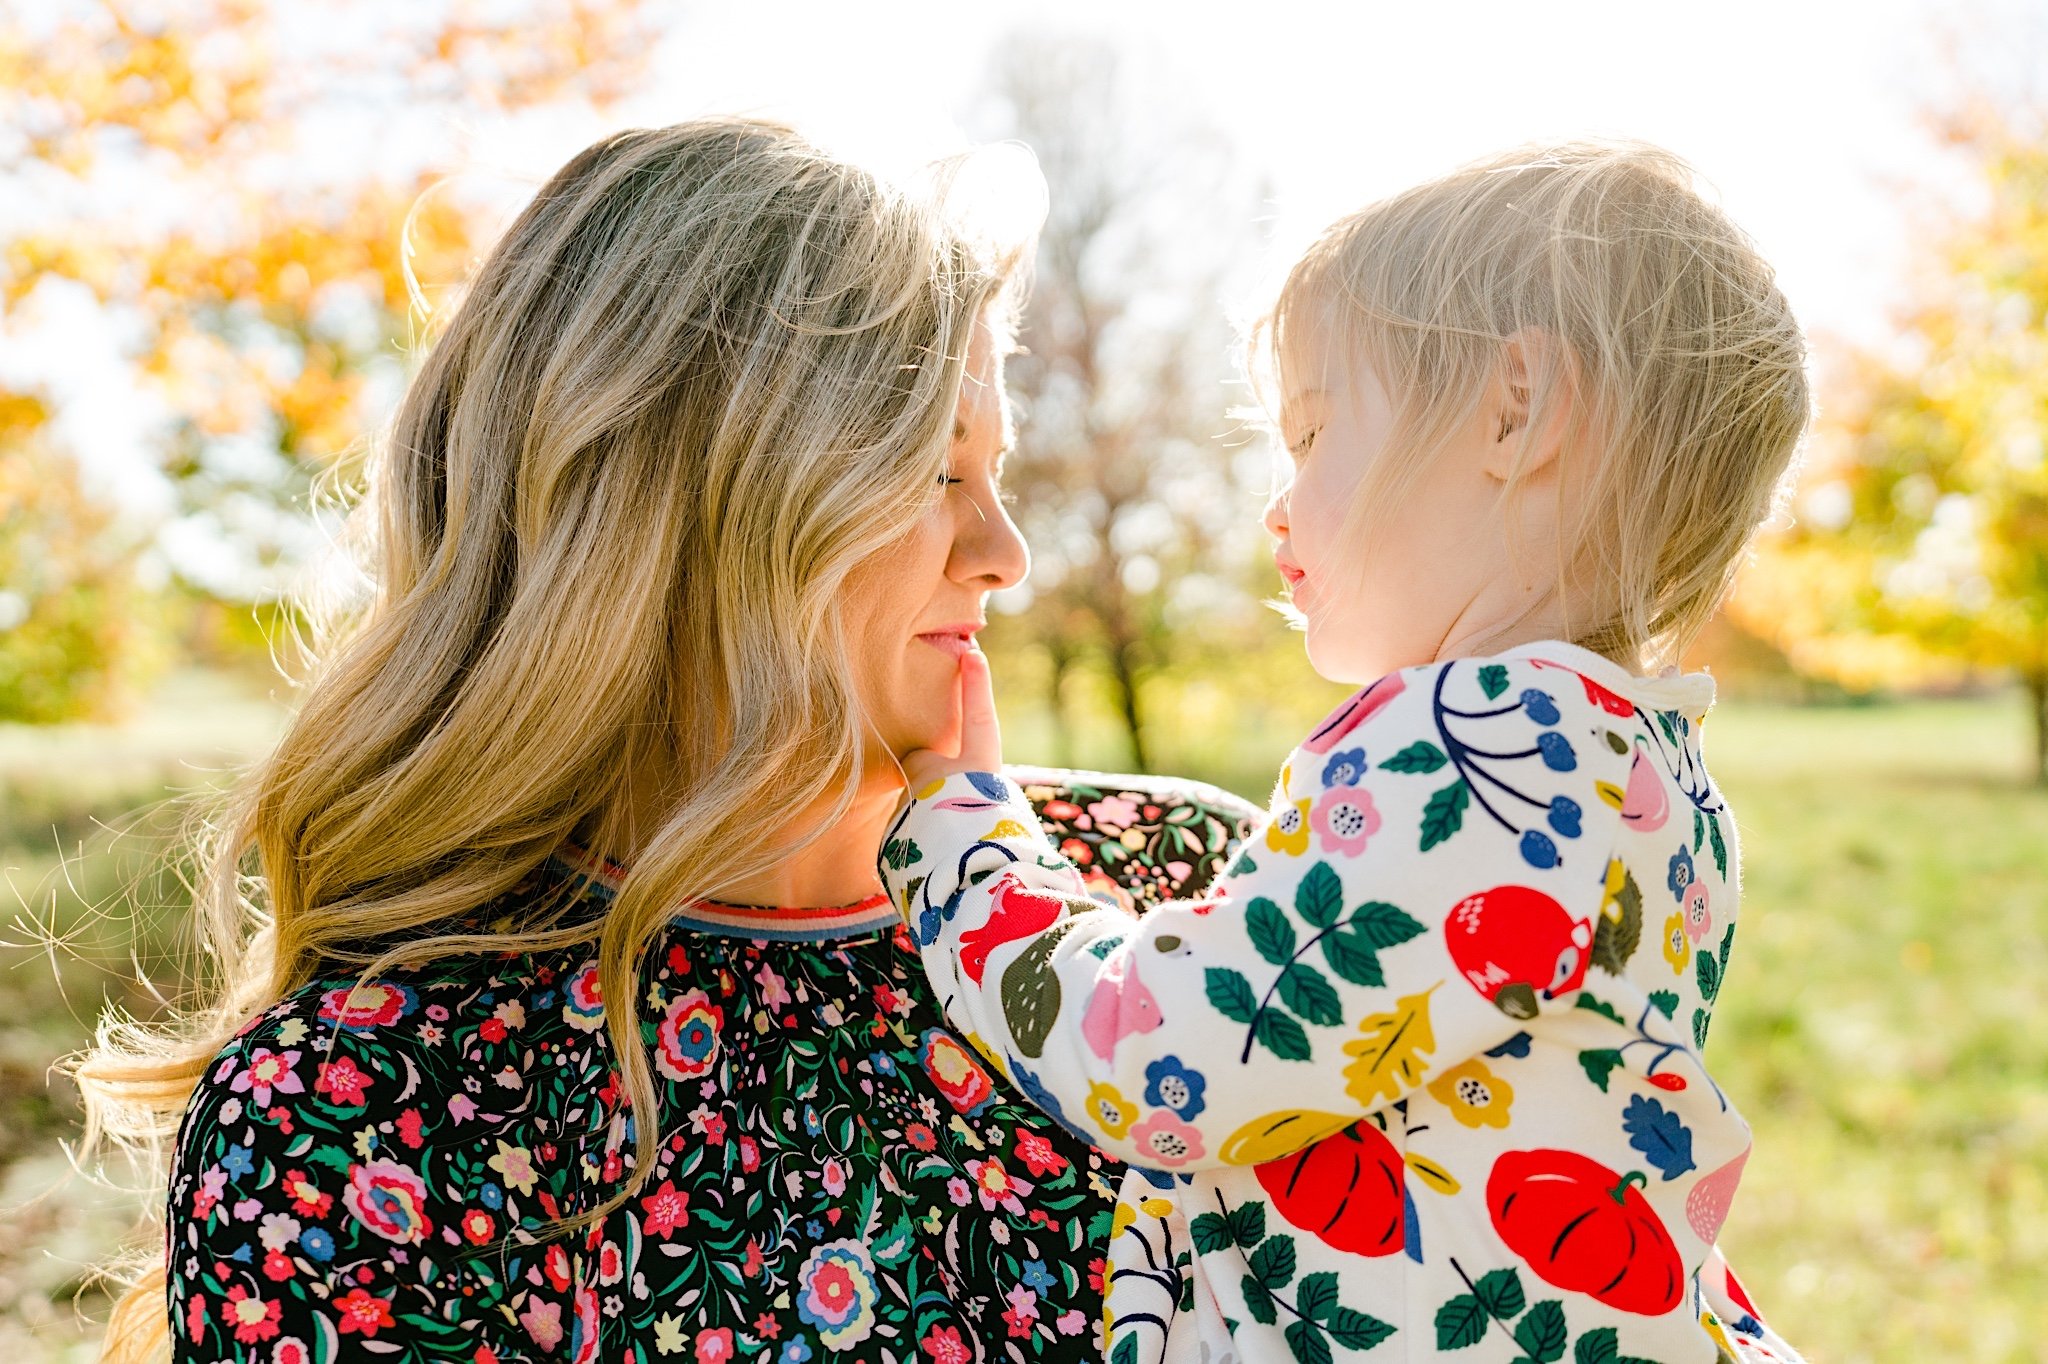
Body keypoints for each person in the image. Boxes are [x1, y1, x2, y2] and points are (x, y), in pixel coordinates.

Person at [71, 118, 1261, 1363]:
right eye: (932, 472)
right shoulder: (361, 1111)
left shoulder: (1184, 894)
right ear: (679, 513)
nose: (1005, 553)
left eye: (997, 471)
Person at [885, 142, 1810, 1363]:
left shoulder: (1476, 755)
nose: (1275, 502)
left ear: (1514, 407)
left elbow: (1167, 1055)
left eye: (1311, 433)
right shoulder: (1646, 771)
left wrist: (974, 853)